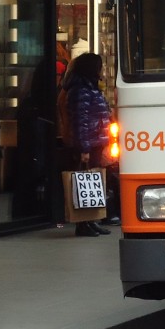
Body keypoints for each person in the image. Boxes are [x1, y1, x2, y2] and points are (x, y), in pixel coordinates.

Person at [63, 52, 115, 236]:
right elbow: (80, 120)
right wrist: (83, 148)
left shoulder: (89, 87)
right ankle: (83, 222)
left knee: (92, 183)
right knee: (85, 183)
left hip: (95, 140)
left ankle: (91, 219)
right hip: (89, 142)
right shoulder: (82, 89)